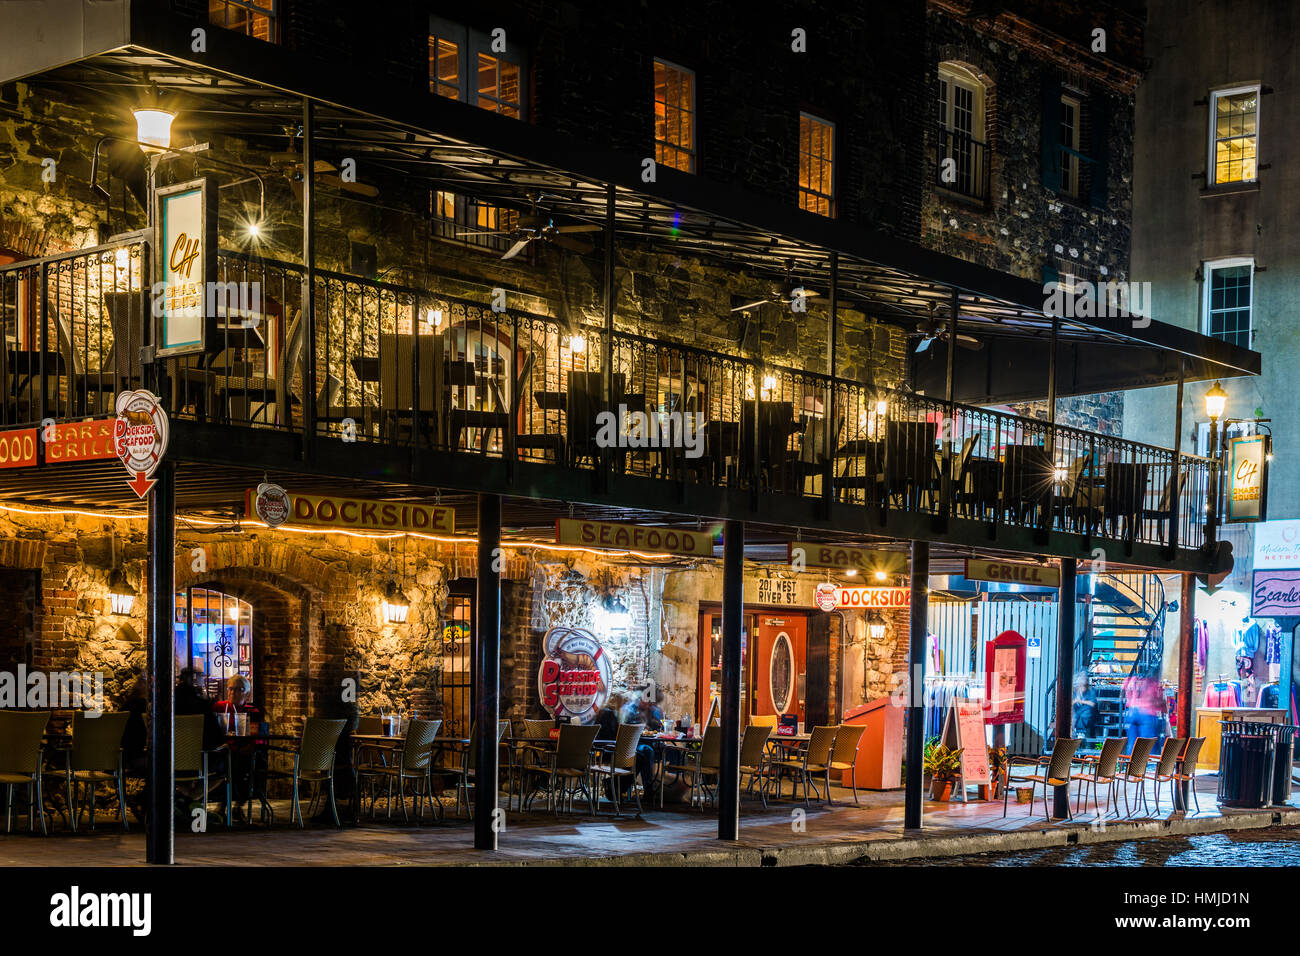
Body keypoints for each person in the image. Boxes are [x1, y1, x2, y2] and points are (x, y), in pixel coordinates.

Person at [215, 675, 265, 811]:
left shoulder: (251, 710)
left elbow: (259, 734)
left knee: (250, 765)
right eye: (230, 688)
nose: (232, 692)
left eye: (238, 689)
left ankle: (238, 805)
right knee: (232, 765)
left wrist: (252, 745)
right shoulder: (220, 707)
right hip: (223, 750)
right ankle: (224, 805)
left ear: (246, 693)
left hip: (244, 750)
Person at [1123, 671, 1165, 754]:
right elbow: (1157, 700)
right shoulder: (1152, 683)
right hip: (1147, 712)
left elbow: (1124, 692)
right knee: (1147, 744)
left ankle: (1131, 764)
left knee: (1132, 743)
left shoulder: (1130, 680)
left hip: (1131, 711)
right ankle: (1149, 766)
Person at [1071, 672, 1097, 740]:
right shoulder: (1075, 691)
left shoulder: (1091, 690)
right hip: (1077, 715)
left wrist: (1079, 701)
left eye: (1084, 679)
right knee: (1076, 714)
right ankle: (1075, 731)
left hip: (1090, 716)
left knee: (1086, 710)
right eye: (1080, 679)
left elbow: (1093, 704)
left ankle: (1080, 732)